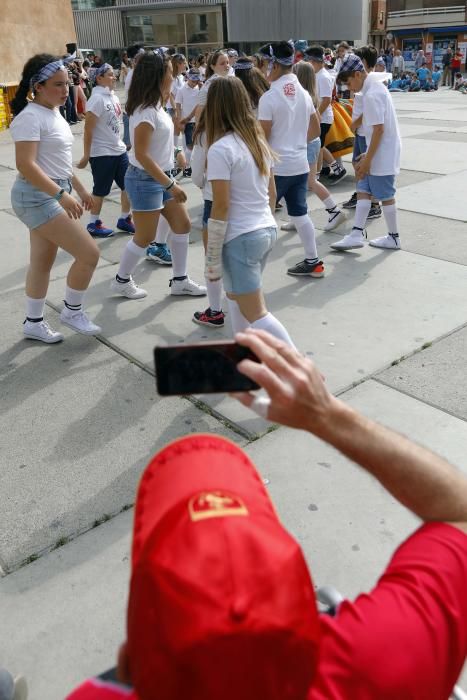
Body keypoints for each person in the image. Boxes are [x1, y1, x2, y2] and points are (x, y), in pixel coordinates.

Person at [66, 328, 467, 700]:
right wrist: (326, 415)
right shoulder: (376, 664)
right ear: (313, 621)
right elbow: (458, 513)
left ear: (126, 660)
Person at [10, 53, 101, 343]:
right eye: (58, 84)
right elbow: (26, 165)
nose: (66, 90)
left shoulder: (53, 113)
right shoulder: (30, 117)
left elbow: (57, 164)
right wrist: (61, 194)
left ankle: (33, 322)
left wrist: (81, 189)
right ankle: (72, 311)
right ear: (38, 86)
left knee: (41, 262)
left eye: (68, 83)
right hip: (37, 196)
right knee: (90, 254)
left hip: (48, 191)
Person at [197, 77, 294, 345]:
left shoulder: (220, 149)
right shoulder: (256, 141)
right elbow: (272, 192)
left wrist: (212, 256)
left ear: (214, 108)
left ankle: (303, 377)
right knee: (236, 298)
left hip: (240, 238)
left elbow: (221, 205)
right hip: (263, 230)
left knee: (257, 313)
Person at [111, 50, 206, 300]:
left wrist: (176, 150)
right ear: (157, 77)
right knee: (144, 237)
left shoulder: (156, 106)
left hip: (159, 177)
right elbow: (141, 154)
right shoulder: (145, 111)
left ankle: (180, 280)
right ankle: (121, 280)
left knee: (182, 225)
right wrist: (171, 184)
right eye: (169, 73)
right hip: (145, 179)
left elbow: (156, 143)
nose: (173, 77)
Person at [257, 41, 324, 280]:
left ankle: (252, 279)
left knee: (261, 220)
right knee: (299, 213)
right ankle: (313, 261)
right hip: (299, 163)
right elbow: (316, 129)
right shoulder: (303, 93)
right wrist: (294, 142)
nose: (264, 68)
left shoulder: (269, 97)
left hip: (276, 168)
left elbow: (262, 140)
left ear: (275, 65)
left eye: (266, 63)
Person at [330, 54, 402, 251]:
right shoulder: (372, 88)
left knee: (385, 194)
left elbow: (379, 129)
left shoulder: (372, 93)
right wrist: (367, 156)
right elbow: (373, 128)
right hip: (376, 150)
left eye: (348, 83)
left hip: (382, 153)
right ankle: (355, 233)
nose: (349, 88)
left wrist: (368, 159)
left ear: (357, 74)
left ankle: (394, 237)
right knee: (363, 189)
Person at [281, 61, 346, 234]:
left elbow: (314, 127)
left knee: (309, 182)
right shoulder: (307, 95)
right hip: (309, 143)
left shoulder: (304, 97)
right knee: (301, 183)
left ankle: (334, 211)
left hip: (308, 144)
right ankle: (297, 217)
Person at [77, 63, 134, 238]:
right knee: (101, 190)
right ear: (99, 78)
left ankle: (125, 219)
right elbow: (88, 129)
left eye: (113, 74)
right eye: (110, 74)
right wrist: (87, 155)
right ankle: (93, 223)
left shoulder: (113, 97)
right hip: (102, 153)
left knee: (128, 185)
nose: (114, 76)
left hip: (119, 150)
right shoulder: (96, 99)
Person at [190, 107, 225, 328]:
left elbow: (195, 174)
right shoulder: (250, 131)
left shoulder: (206, 134)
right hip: (246, 205)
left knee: (213, 259)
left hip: (214, 201)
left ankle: (215, 310)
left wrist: (204, 184)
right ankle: (234, 300)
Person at [342, 45, 382, 220]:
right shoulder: (362, 82)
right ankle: (361, 193)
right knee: (356, 163)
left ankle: (374, 203)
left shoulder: (372, 83)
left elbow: (370, 111)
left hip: (366, 131)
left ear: (364, 62)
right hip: (360, 131)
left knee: (368, 166)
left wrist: (353, 124)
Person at [304, 45, 346, 185]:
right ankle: (329, 171)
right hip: (320, 116)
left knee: (318, 147)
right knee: (319, 146)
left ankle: (323, 174)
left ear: (314, 62)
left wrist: (316, 115)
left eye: (308, 61)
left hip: (323, 117)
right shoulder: (318, 75)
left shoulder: (323, 76)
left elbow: (327, 99)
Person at [175, 67, 201, 177]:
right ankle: (186, 167)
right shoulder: (182, 90)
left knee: (197, 145)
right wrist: (180, 121)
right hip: (187, 121)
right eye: (193, 80)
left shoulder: (200, 88)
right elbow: (178, 105)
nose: (195, 82)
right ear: (188, 78)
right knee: (189, 146)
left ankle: (191, 166)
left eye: (197, 80)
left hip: (199, 121)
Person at [196, 49, 231, 116]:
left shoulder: (225, 80)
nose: (227, 66)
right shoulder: (211, 83)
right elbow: (200, 110)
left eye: (227, 62)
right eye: (222, 63)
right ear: (212, 67)